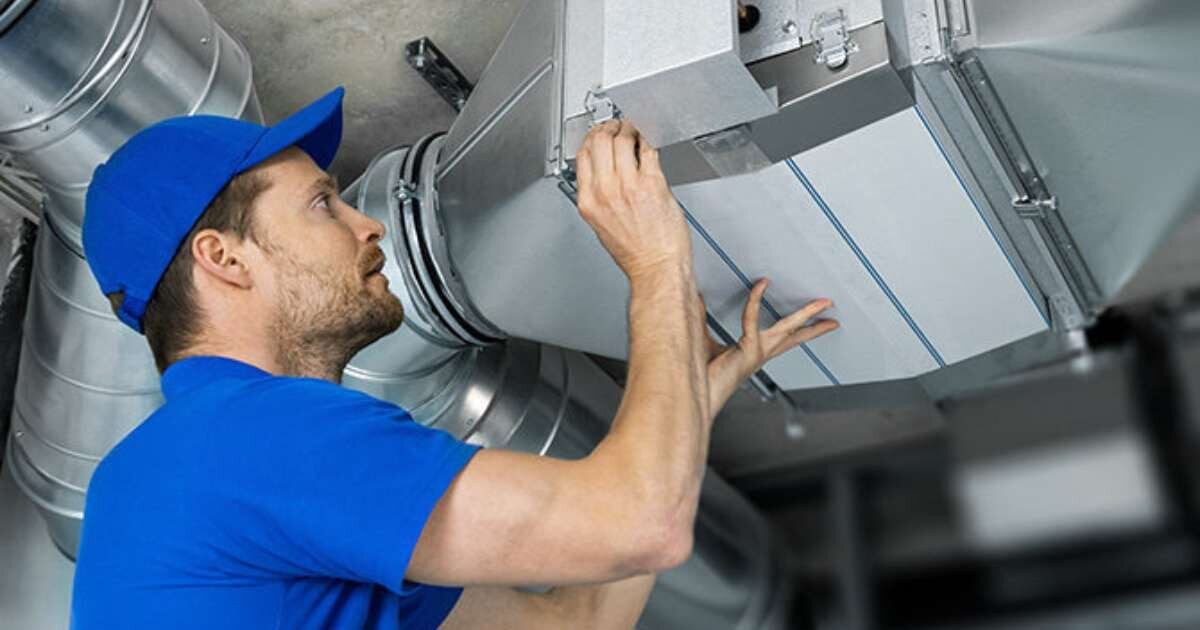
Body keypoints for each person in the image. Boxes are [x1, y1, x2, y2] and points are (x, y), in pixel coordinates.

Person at [70, 87, 839, 629]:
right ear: (224, 259)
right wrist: (658, 263)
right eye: (321, 203)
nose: (366, 224)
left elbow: (571, 623)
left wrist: (688, 404)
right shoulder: (251, 441)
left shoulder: (176, 473)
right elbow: (644, 527)